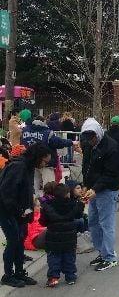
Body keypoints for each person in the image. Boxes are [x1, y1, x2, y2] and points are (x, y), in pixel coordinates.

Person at [0, 143, 51, 287]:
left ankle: (19, 272)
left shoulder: (27, 166)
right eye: (44, 161)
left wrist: (30, 205)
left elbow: (24, 190)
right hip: (7, 211)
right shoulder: (18, 167)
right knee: (13, 241)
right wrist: (19, 211)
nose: (44, 165)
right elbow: (6, 193)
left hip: (20, 211)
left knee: (20, 240)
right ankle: (8, 275)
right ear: (38, 157)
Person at [81, 118, 119, 272]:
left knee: (106, 224)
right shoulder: (87, 144)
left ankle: (110, 257)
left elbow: (111, 173)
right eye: (88, 138)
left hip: (107, 189)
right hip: (93, 188)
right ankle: (102, 252)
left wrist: (95, 189)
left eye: (93, 138)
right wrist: (86, 185)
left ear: (98, 134)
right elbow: (86, 165)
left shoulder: (112, 147)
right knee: (93, 222)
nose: (91, 141)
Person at [40, 184, 85, 287]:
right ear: (68, 194)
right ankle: (70, 276)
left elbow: (43, 222)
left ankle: (53, 278)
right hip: (69, 237)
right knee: (69, 256)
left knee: (54, 258)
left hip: (53, 237)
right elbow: (79, 215)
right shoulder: (74, 204)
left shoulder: (48, 206)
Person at [21, 115, 76, 192]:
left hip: (32, 162)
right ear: (43, 122)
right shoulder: (47, 132)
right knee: (49, 187)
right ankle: (47, 202)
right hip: (46, 163)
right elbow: (58, 142)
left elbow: (22, 144)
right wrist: (71, 142)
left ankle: (36, 201)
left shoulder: (25, 131)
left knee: (34, 186)